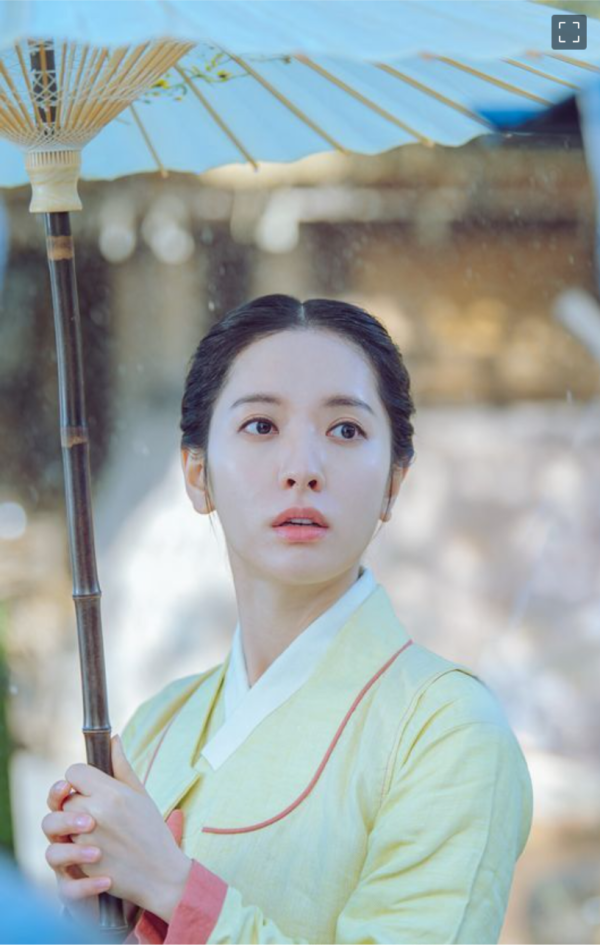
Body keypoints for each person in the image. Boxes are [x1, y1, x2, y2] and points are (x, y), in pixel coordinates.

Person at [41, 294, 533, 944]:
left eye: (346, 430)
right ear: (196, 473)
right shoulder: (156, 726)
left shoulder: (448, 732)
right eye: (261, 426)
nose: (303, 469)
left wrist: (171, 887)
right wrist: (93, 918)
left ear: (394, 482)